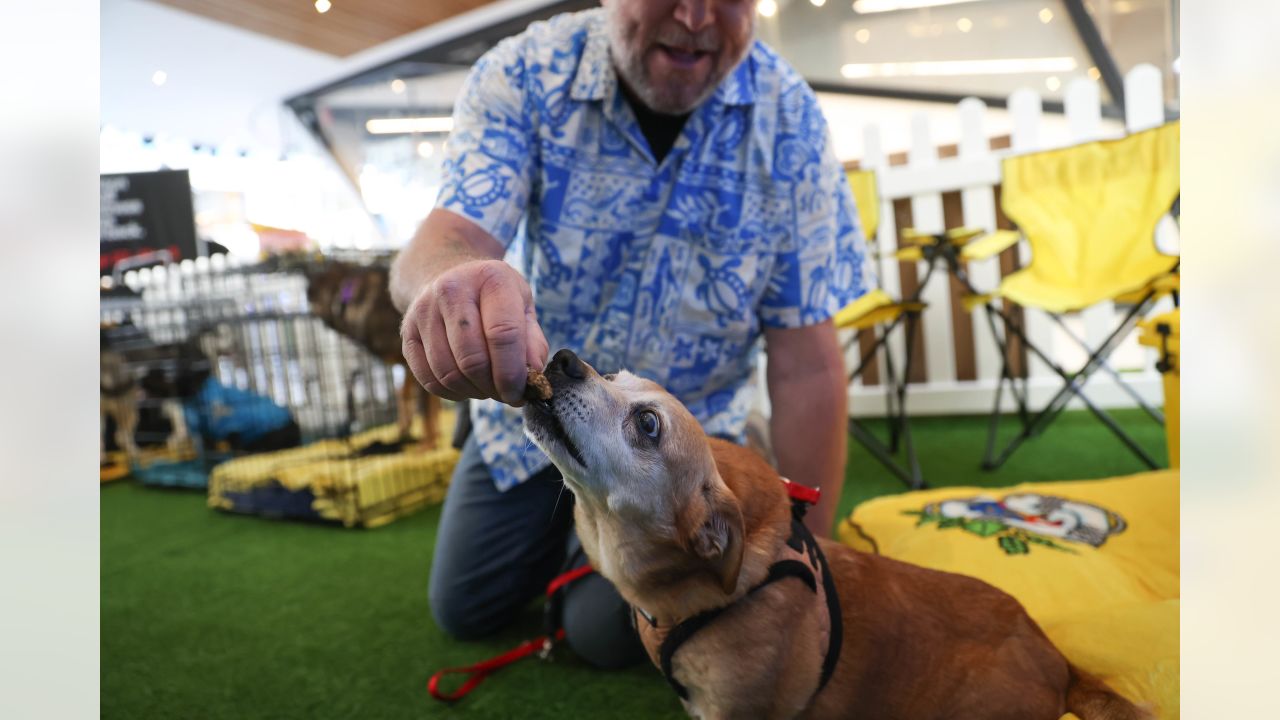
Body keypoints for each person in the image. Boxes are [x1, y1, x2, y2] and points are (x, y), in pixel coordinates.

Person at [391, 0, 866, 670]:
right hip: (528, 417)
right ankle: (574, 540)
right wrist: (454, 284)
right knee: (466, 609)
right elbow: (448, 239)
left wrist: (807, 563)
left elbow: (806, 364)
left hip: (682, 457)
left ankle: (586, 561)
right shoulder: (525, 70)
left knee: (610, 635)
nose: (697, 16)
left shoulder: (790, 120)